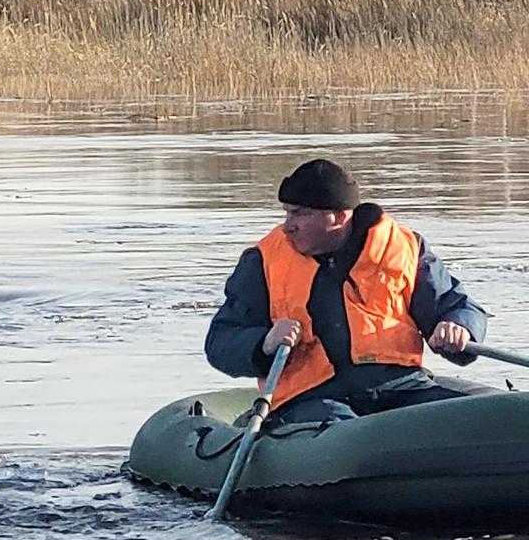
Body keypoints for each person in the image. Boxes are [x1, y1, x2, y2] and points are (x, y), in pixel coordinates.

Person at [205, 158, 489, 424]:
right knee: (338, 425)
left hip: (400, 388)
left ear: (339, 217)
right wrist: (264, 342)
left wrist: (458, 325)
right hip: (311, 398)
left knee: (471, 418)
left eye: (299, 214)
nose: (288, 226)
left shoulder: (403, 248)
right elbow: (221, 341)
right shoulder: (263, 260)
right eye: (287, 213)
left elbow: (455, 304)